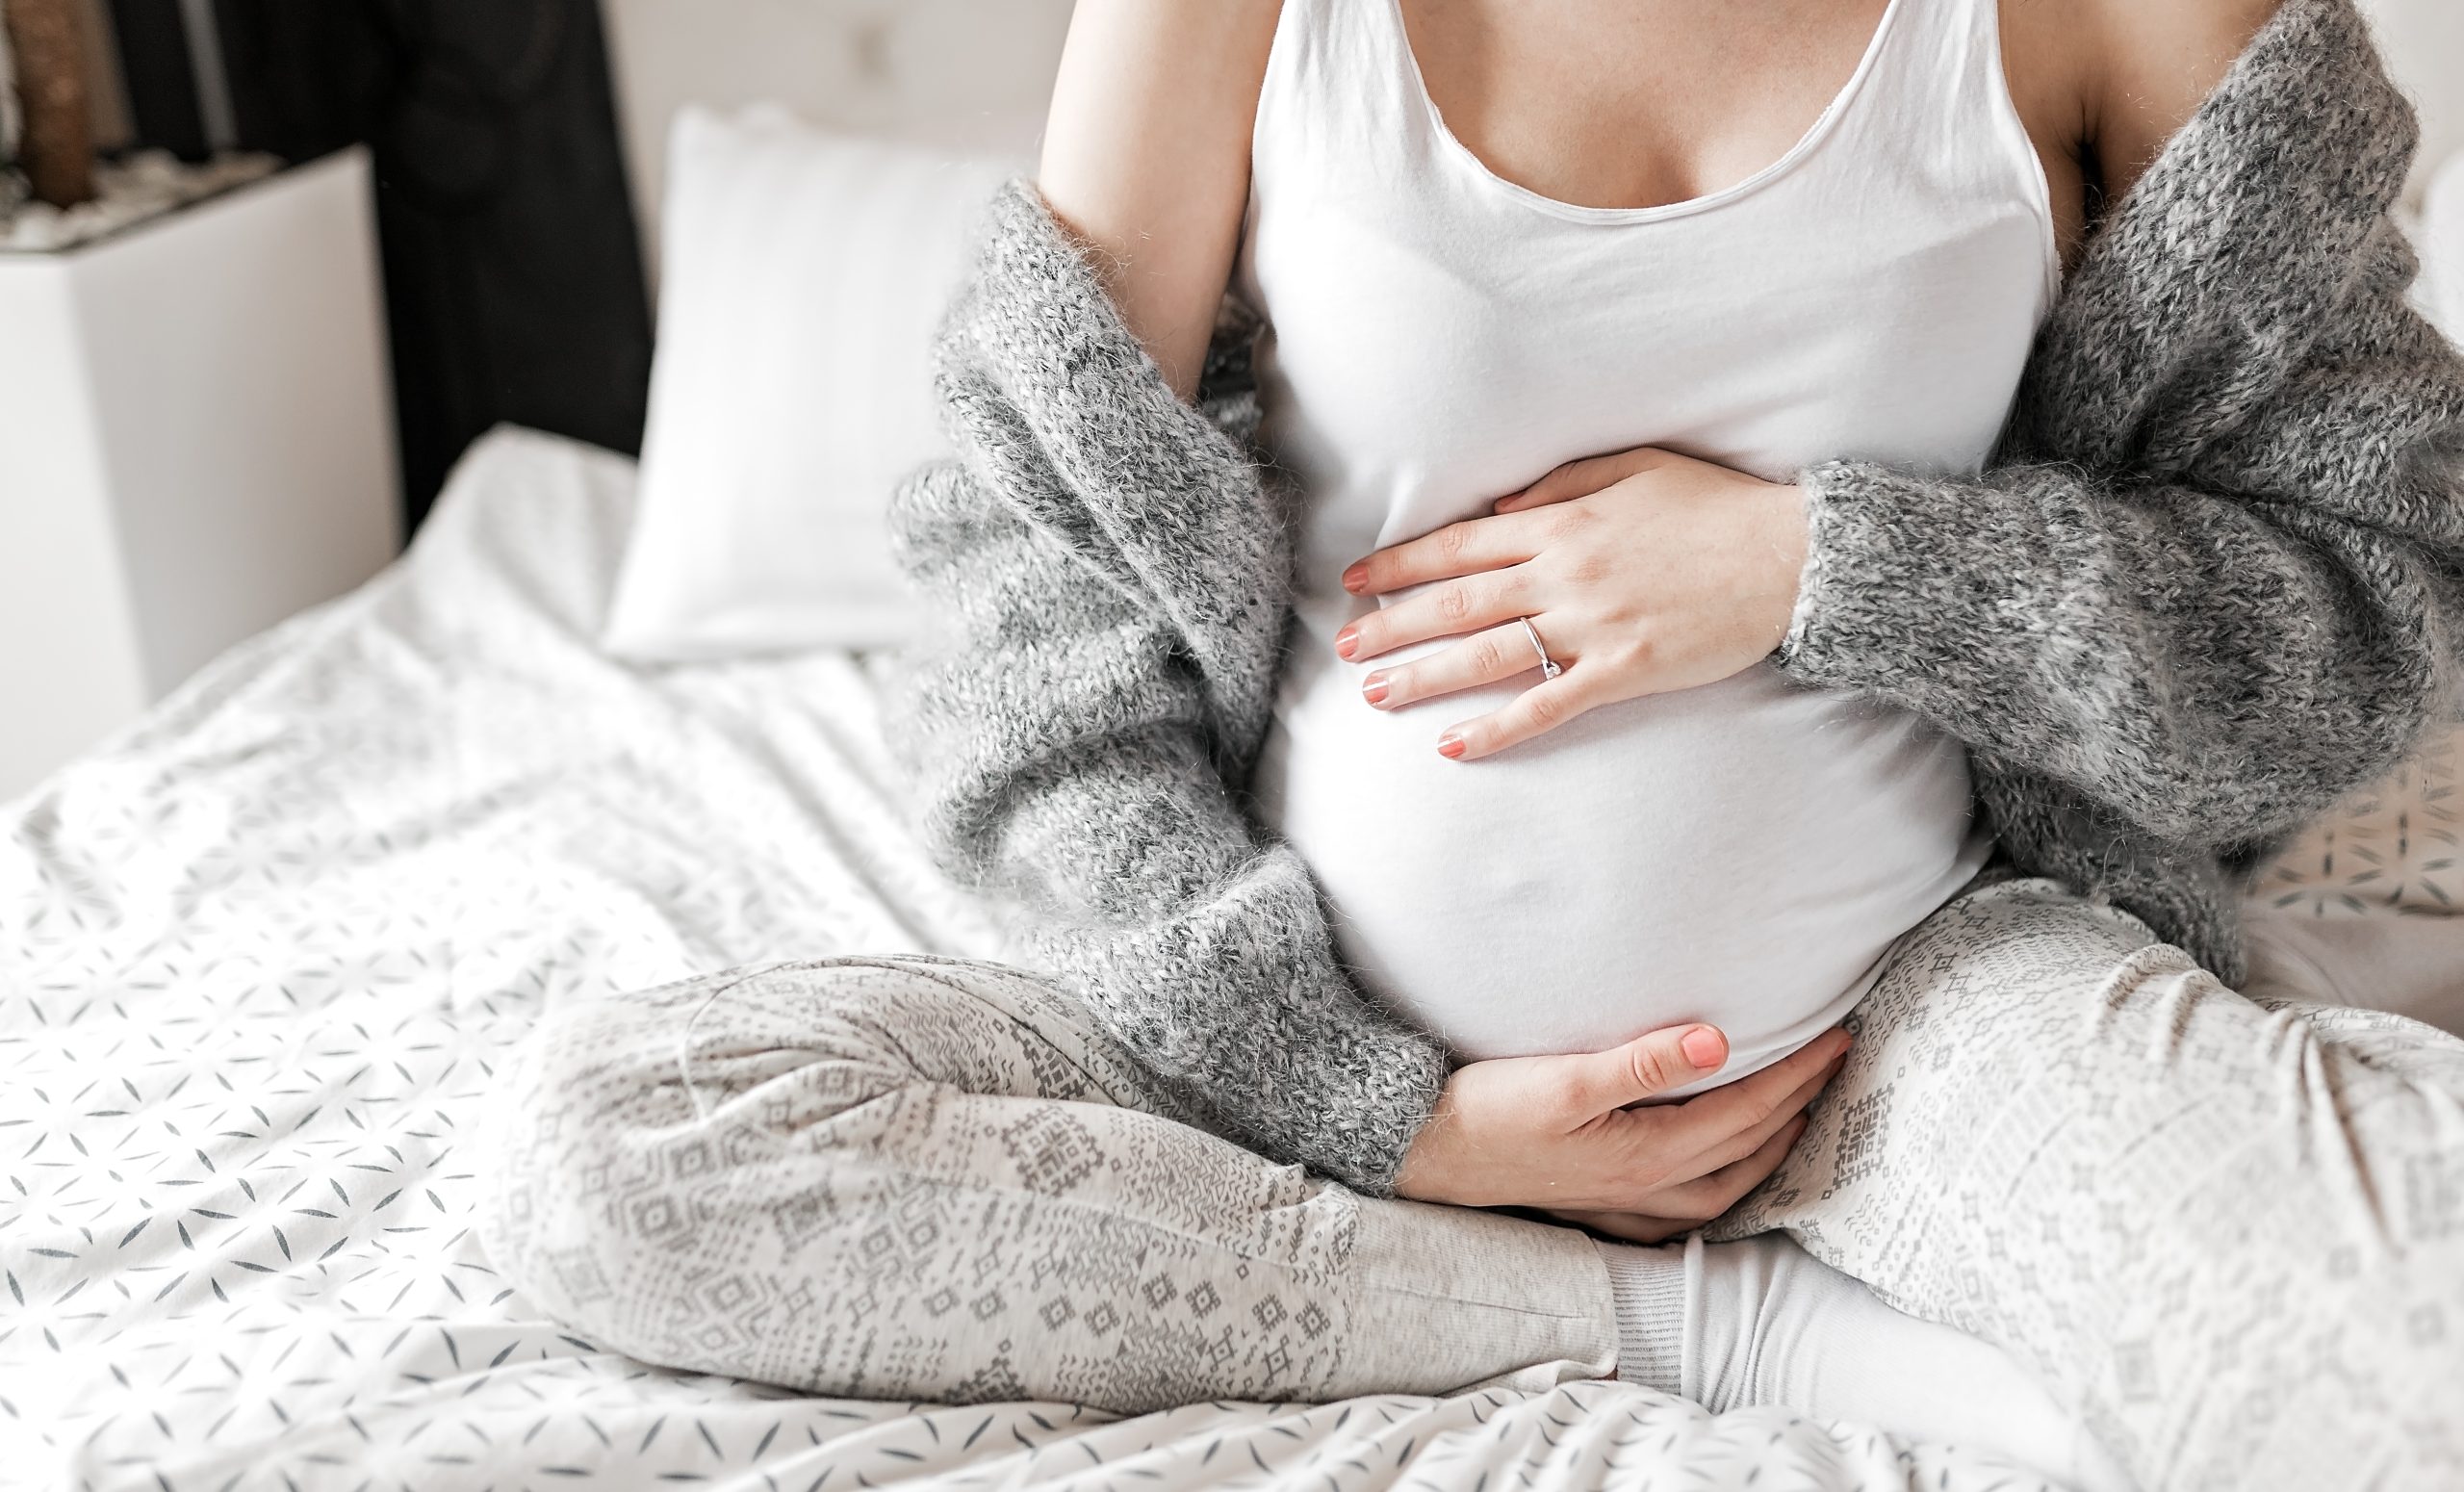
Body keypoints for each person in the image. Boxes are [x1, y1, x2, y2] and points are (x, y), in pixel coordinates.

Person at [477, 2, 2464, 1487]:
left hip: (1900, 1023)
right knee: (613, 1155)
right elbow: (1026, 592)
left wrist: (1814, 564)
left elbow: (2376, 590)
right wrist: (1382, 1112)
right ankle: (1666, 1320)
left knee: (2410, 1334)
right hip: (1275, 1052)